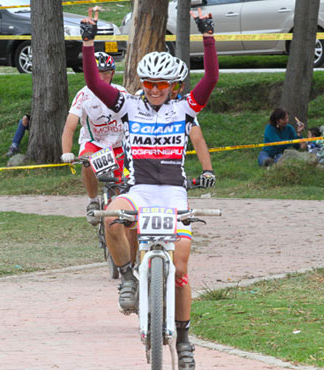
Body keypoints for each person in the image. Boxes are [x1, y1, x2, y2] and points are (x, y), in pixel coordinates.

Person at [80, 7, 218, 369]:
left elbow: (212, 79)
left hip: (173, 194)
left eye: (162, 85)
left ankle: (185, 341)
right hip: (140, 189)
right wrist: (88, 42)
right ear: (141, 83)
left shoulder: (185, 109)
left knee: (182, 268)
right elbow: (95, 84)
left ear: (174, 86)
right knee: (111, 218)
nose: (155, 91)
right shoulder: (127, 106)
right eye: (149, 84)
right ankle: (127, 278)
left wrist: (208, 35)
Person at [61, 52, 127, 225]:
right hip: (94, 143)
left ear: (112, 74)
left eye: (106, 73)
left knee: (123, 187)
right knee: (87, 163)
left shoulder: (121, 92)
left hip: (118, 145)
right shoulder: (83, 96)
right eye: (98, 73)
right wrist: (66, 152)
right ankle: (92, 201)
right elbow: (69, 127)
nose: (102, 78)